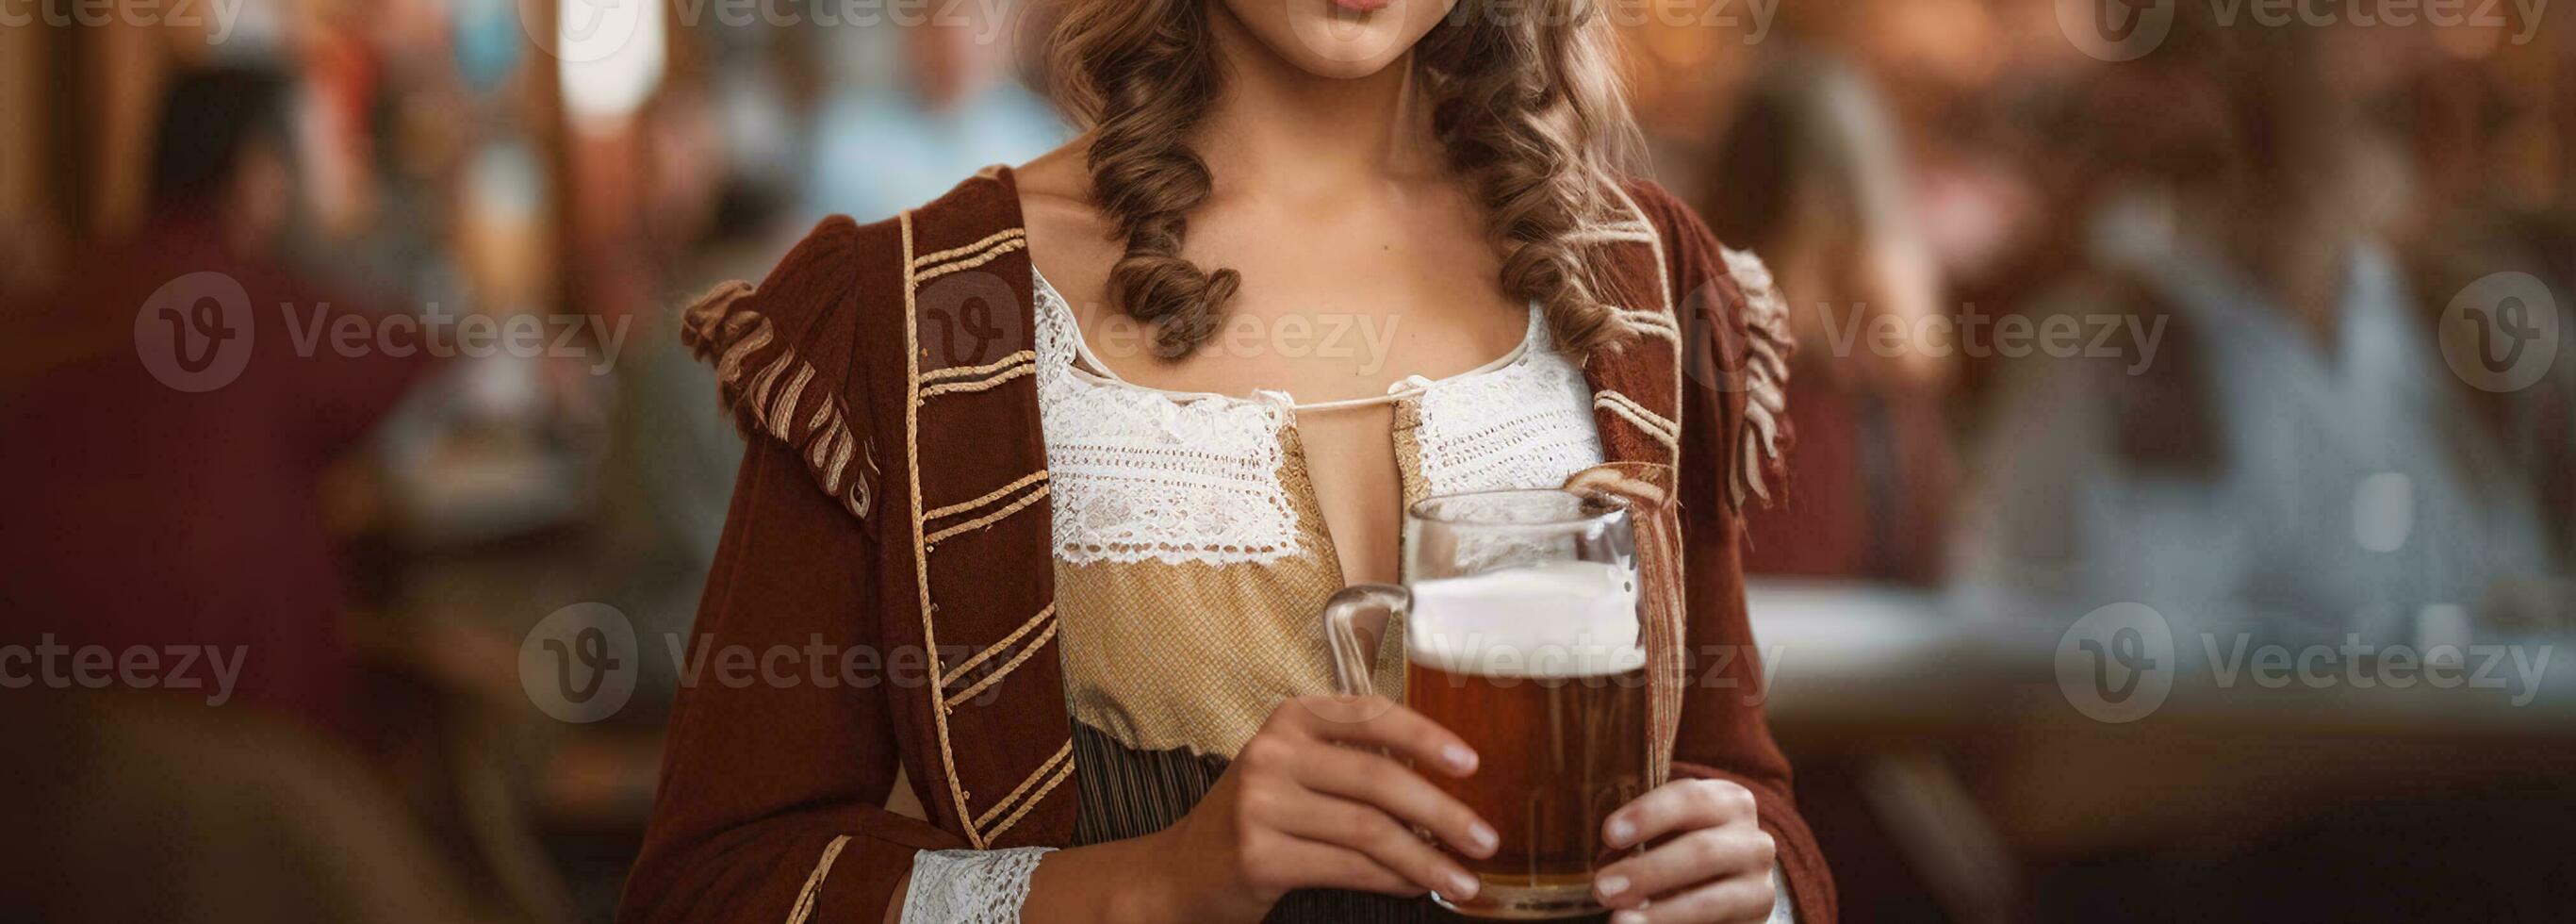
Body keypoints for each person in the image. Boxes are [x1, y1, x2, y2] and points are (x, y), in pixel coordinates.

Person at [619, 4, 1835, 923]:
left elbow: (1739, 783)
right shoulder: (925, 311)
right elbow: (720, 882)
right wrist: (1155, 878)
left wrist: (1755, 883)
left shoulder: (1647, 279)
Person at [1701, 53, 1955, 586]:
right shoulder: (1890, 377)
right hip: (1870, 653)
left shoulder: (1691, 355)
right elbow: (1927, 552)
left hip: (1738, 647)